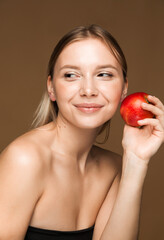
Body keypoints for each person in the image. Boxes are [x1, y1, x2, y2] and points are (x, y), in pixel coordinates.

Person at [0, 24, 163, 240]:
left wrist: (136, 162)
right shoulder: (25, 159)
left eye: (104, 74)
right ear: (51, 87)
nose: (88, 90)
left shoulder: (113, 169)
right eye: (71, 75)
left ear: (124, 88)